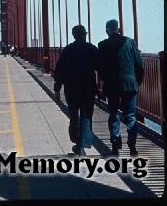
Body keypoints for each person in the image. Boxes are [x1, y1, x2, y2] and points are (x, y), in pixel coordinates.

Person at [97, 19, 144, 157]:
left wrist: (104, 79)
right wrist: (138, 80)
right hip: (129, 84)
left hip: (111, 85)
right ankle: (132, 143)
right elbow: (139, 63)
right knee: (130, 115)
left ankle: (115, 147)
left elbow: (101, 67)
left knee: (114, 115)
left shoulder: (102, 44)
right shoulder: (130, 42)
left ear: (107, 31)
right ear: (118, 29)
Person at [53, 25, 98, 156]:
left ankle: (77, 142)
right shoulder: (91, 49)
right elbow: (100, 66)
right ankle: (81, 145)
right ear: (85, 35)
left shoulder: (67, 50)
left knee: (73, 116)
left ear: (73, 35)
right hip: (88, 89)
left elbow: (59, 71)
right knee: (86, 116)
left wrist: (57, 90)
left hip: (71, 89)